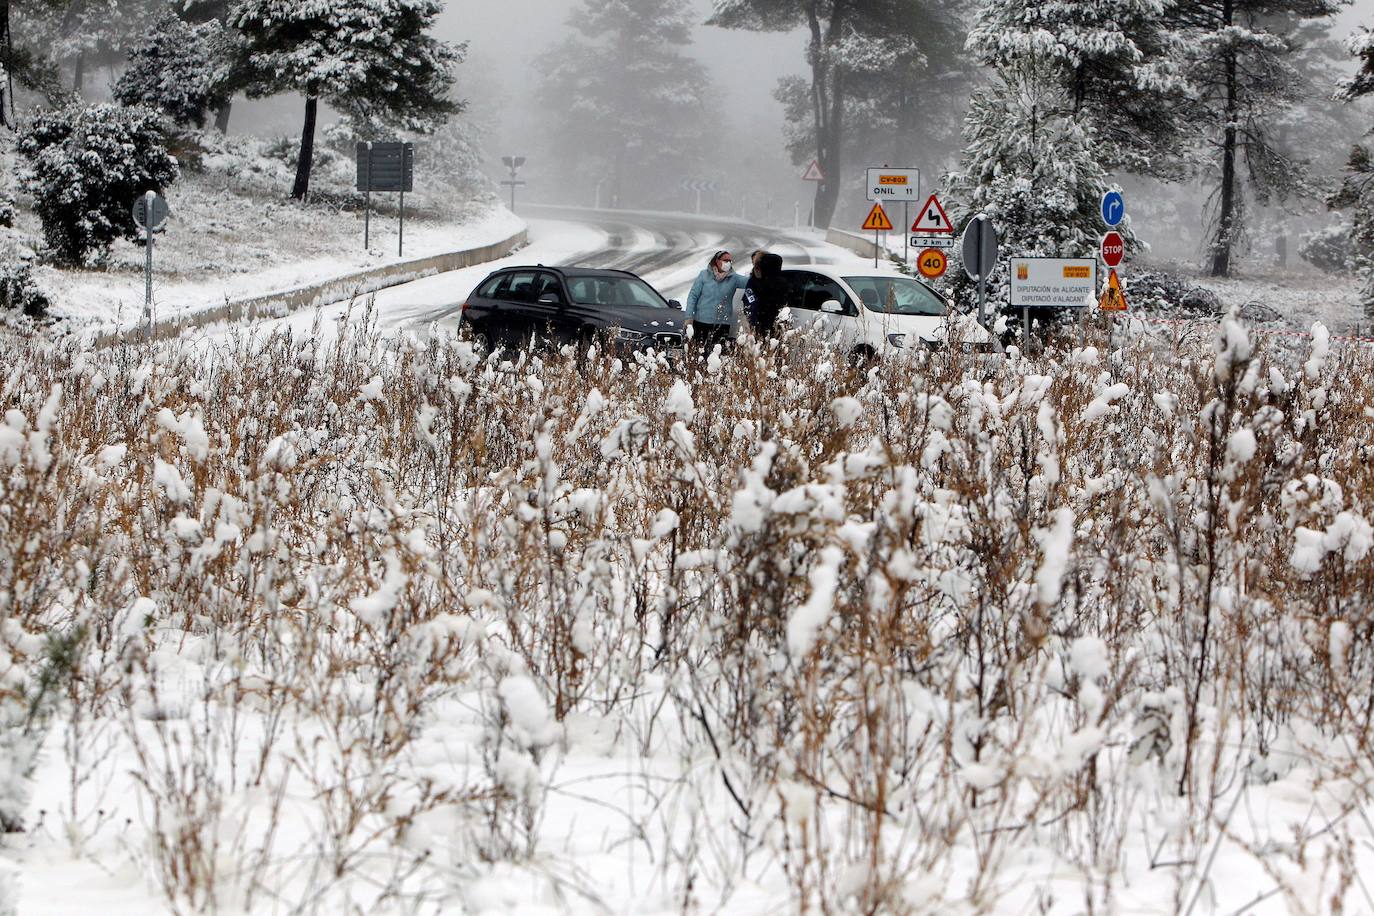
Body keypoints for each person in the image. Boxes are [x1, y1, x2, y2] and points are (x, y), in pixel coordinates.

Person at [684, 250, 747, 353]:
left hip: (721, 324)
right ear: (717, 261)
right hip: (701, 322)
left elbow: (749, 282)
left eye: (730, 261)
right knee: (699, 353)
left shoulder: (733, 278)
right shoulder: (704, 275)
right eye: (725, 260)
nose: (728, 263)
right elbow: (693, 296)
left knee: (717, 355)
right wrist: (689, 317)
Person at [743, 251, 788, 336]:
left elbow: (749, 300)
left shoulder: (758, 282)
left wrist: (752, 317)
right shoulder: (784, 282)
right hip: (776, 322)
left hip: (761, 320)